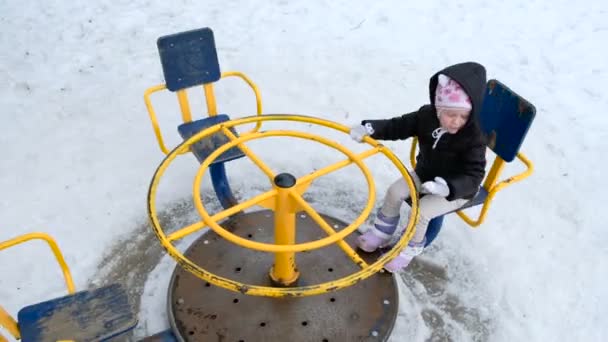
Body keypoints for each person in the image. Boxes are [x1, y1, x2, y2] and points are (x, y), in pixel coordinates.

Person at [350, 62, 487, 273]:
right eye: (451, 114)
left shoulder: (473, 138)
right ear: (438, 108)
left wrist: (449, 188)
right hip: (425, 174)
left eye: (464, 116)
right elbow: (398, 125)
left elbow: (475, 175)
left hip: (458, 190)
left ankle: (405, 252)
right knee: (394, 192)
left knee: (422, 211)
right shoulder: (426, 117)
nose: (457, 122)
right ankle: (381, 233)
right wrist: (371, 128)